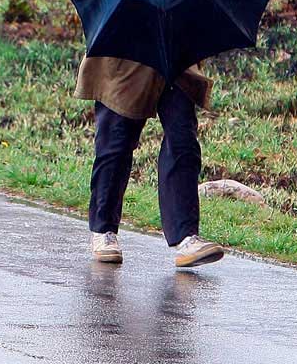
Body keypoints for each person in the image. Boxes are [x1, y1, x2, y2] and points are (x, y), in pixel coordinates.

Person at [76, 56, 225, 268]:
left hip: (175, 52)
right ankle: (103, 230)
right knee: (116, 142)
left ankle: (186, 237)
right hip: (124, 54)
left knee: (183, 140)